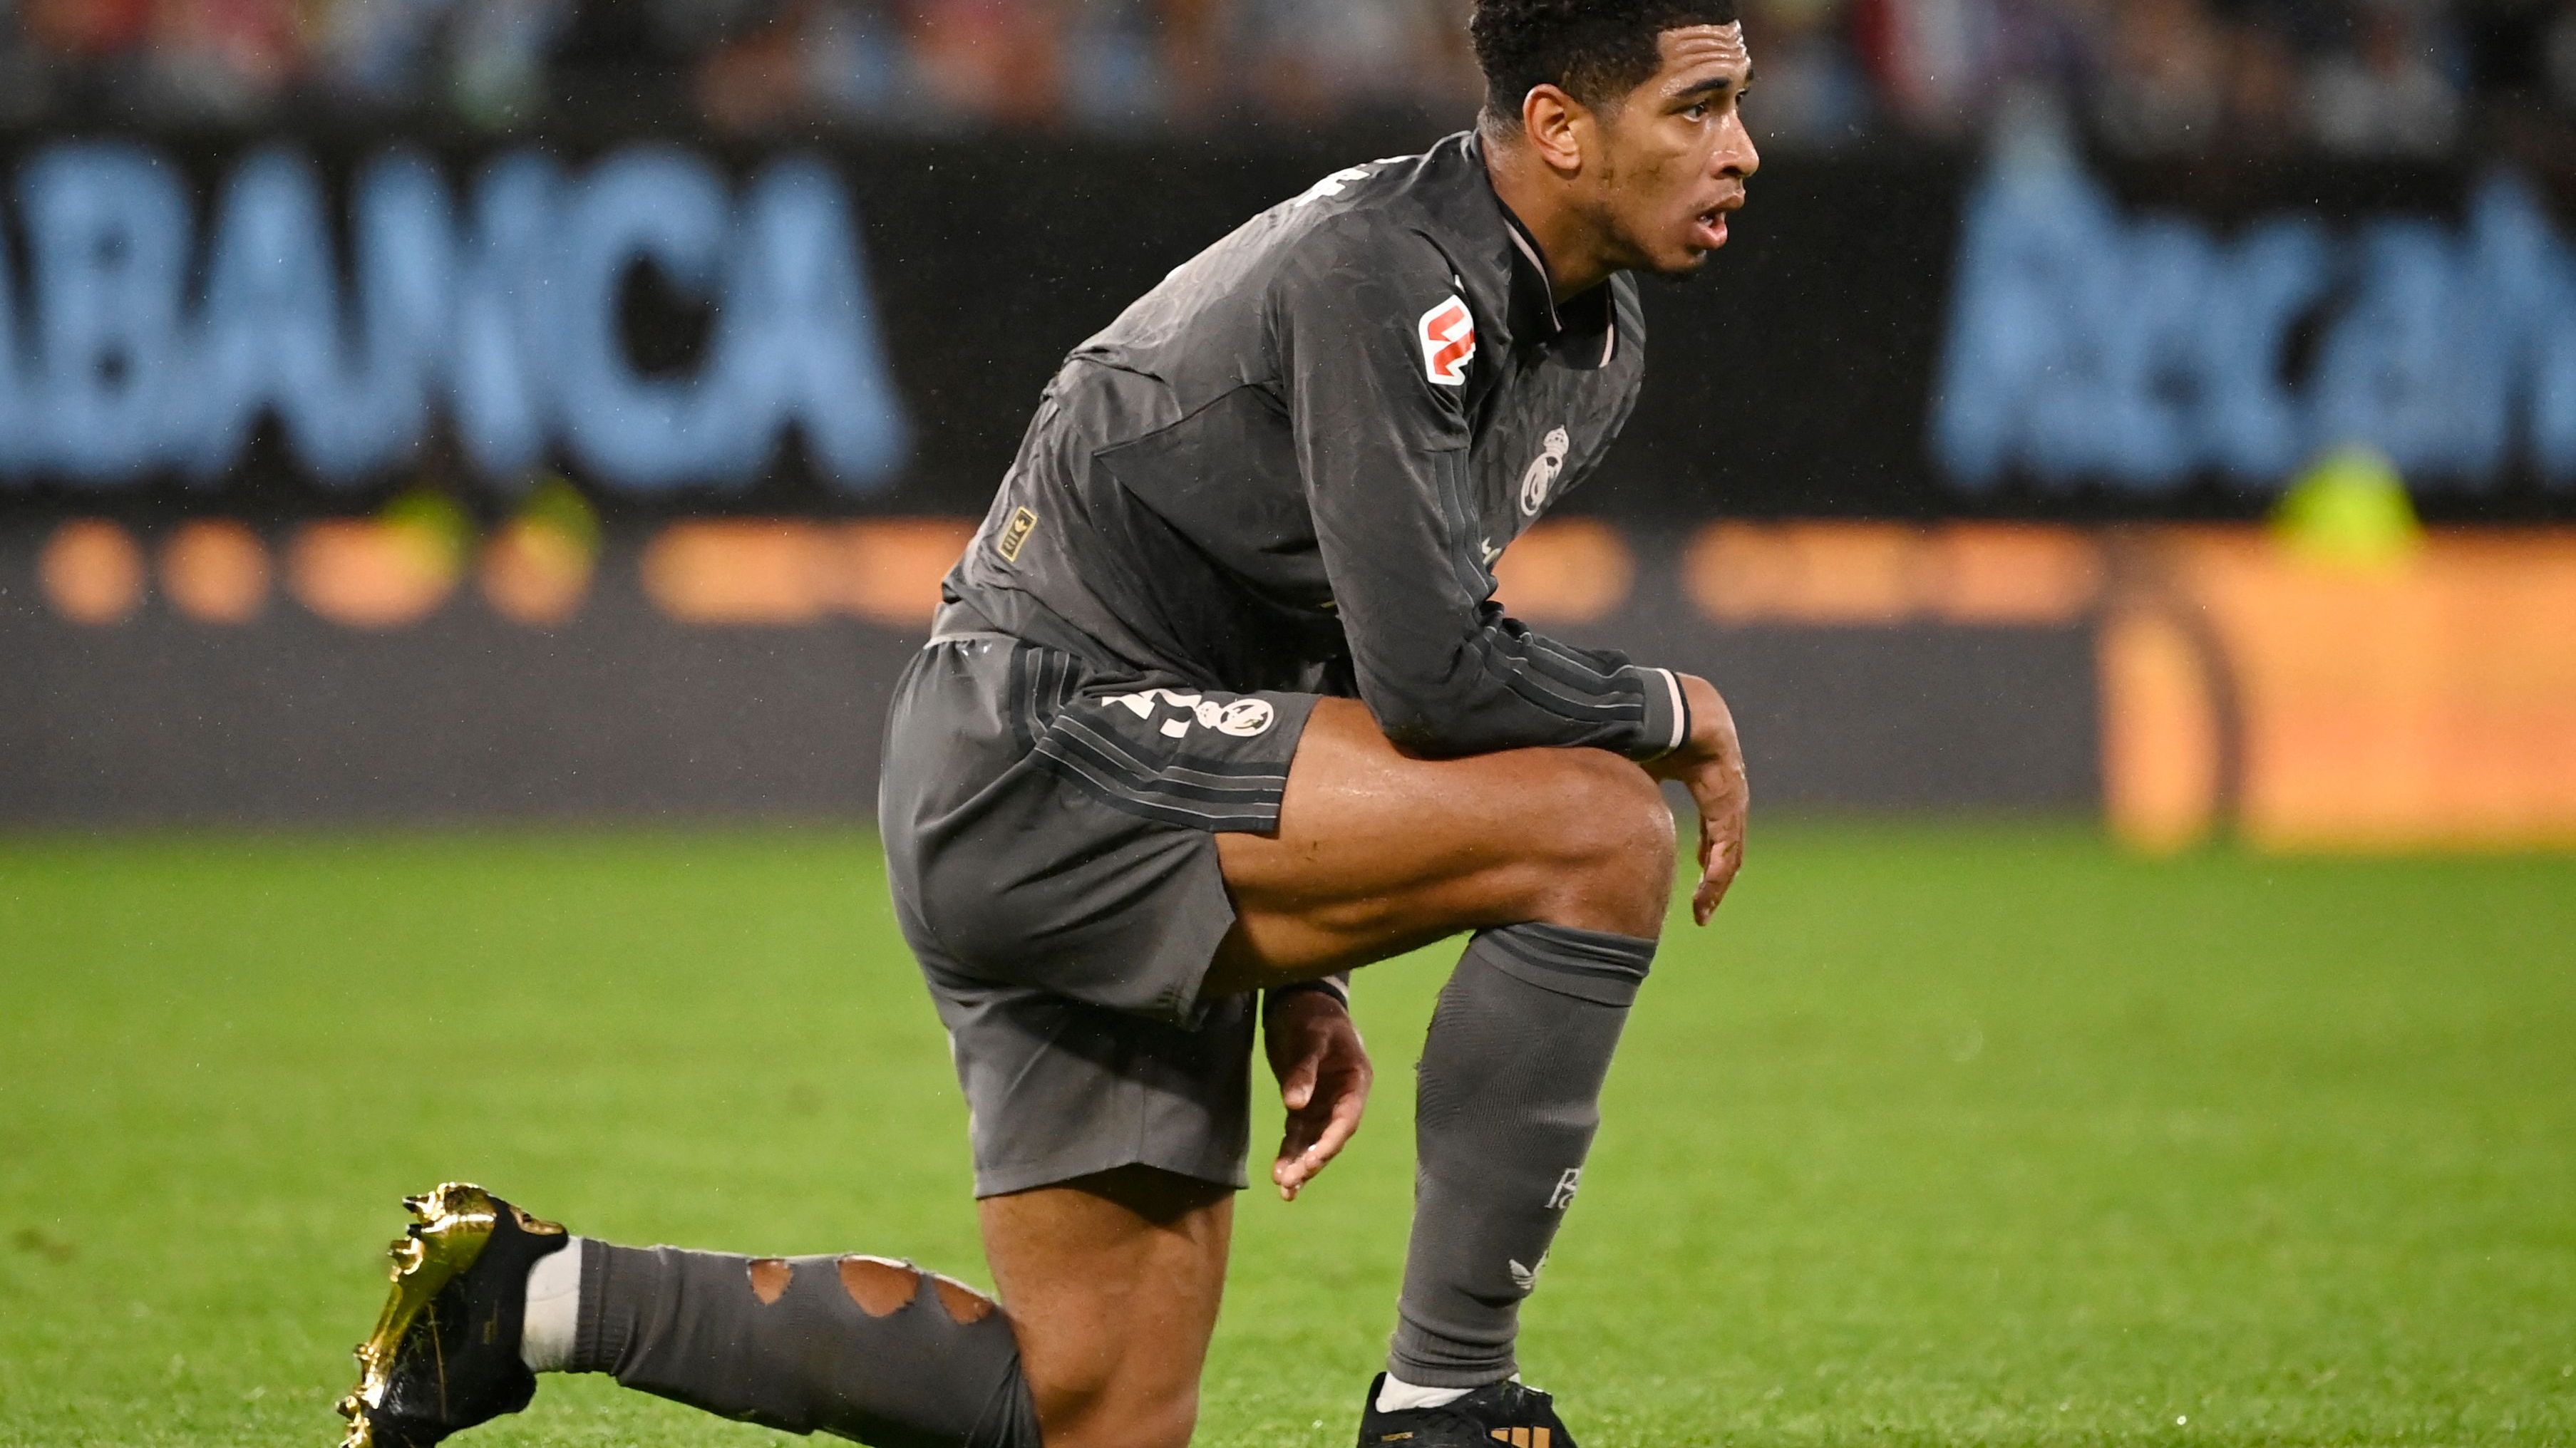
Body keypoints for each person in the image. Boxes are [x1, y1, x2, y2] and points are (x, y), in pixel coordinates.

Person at [334, 3, 1756, 1445]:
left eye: (1737, 103)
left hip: (1156, 772)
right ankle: (1445, 1398)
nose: (1741, 149)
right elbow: (1434, 676)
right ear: (1558, 128)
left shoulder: (1589, 338)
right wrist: (1669, 708)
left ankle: (530, 1297)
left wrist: (1302, 971)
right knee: (1596, 825)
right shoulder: (1383, 267)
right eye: (1695, 107)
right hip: (1046, 744)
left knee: (1095, 1406)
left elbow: (1348, 608)